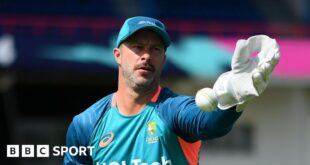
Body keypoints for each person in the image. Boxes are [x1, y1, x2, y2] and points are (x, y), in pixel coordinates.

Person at [64, 16, 280, 165]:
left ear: (164, 59)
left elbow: (209, 124)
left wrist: (233, 95)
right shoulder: (87, 124)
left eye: (155, 49)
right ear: (117, 55)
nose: (146, 55)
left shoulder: (172, 110)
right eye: (138, 46)